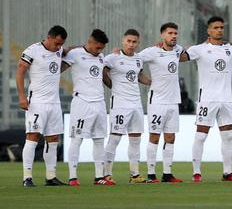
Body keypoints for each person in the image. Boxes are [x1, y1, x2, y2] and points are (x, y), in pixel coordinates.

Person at [186, 17, 232, 182]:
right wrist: (162, 47)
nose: (219, 30)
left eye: (221, 27)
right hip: (207, 99)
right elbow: (179, 56)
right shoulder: (199, 49)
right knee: (200, 136)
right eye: (215, 27)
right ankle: (196, 173)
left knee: (227, 136)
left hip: (226, 99)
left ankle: (228, 173)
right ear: (208, 30)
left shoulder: (230, 49)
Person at [17, 26, 68, 187]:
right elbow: (20, 71)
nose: (59, 47)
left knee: (53, 139)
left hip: (54, 102)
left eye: (61, 44)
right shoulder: (33, 50)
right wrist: (22, 96)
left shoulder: (59, 50)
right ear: (49, 37)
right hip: (37, 102)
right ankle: (27, 177)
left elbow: (72, 50)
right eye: (57, 43)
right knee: (33, 137)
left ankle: (51, 177)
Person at [62, 29, 113, 186]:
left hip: (99, 103)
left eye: (102, 48)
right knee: (77, 139)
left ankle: (99, 177)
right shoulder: (75, 54)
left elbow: (104, 77)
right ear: (90, 42)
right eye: (98, 48)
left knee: (99, 139)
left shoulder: (101, 57)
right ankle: (72, 177)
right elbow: (57, 68)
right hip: (82, 103)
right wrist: (64, 51)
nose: (100, 51)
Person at [139, 23, 187, 183]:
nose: (174, 36)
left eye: (175, 33)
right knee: (154, 136)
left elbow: (187, 49)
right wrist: (145, 80)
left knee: (170, 137)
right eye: (170, 33)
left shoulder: (177, 50)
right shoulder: (152, 52)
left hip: (173, 101)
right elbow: (134, 61)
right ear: (162, 35)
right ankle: (151, 174)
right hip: (157, 101)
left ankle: (167, 174)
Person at [102, 30, 152, 184]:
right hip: (120, 104)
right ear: (123, 41)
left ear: (138, 43)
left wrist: (152, 82)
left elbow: (138, 76)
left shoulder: (138, 59)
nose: (131, 44)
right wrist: (112, 85)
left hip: (136, 104)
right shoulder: (113, 57)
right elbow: (103, 71)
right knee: (115, 138)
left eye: (134, 42)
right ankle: (106, 174)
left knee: (135, 139)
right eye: (129, 41)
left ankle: (135, 174)